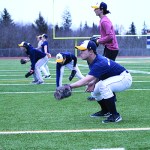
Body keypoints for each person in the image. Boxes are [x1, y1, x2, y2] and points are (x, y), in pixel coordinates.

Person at [69, 40, 132, 123]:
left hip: (124, 78)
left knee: (104, 85)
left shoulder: (99, 62)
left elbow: (86, 80)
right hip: (116, 78)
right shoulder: (91, 60)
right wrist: (93, 83)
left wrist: (69, 86)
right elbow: (98, 75)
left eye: (83, 50)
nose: (80, 52)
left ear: (91, 51)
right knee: (95, 91)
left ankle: (115, 115)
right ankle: (105, 111)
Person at [88, 2, 120, 111]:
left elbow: (110, 37)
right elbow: (107, 35)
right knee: (105, 73)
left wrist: (98, 40)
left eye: (96, 9)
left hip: (111, 49)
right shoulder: (103, 20)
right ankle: (107, 95)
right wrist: (99, 38)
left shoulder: (105, 21)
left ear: (101, 9)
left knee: (105, 73)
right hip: (109, 48)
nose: (94, 10)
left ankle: (109, 97)